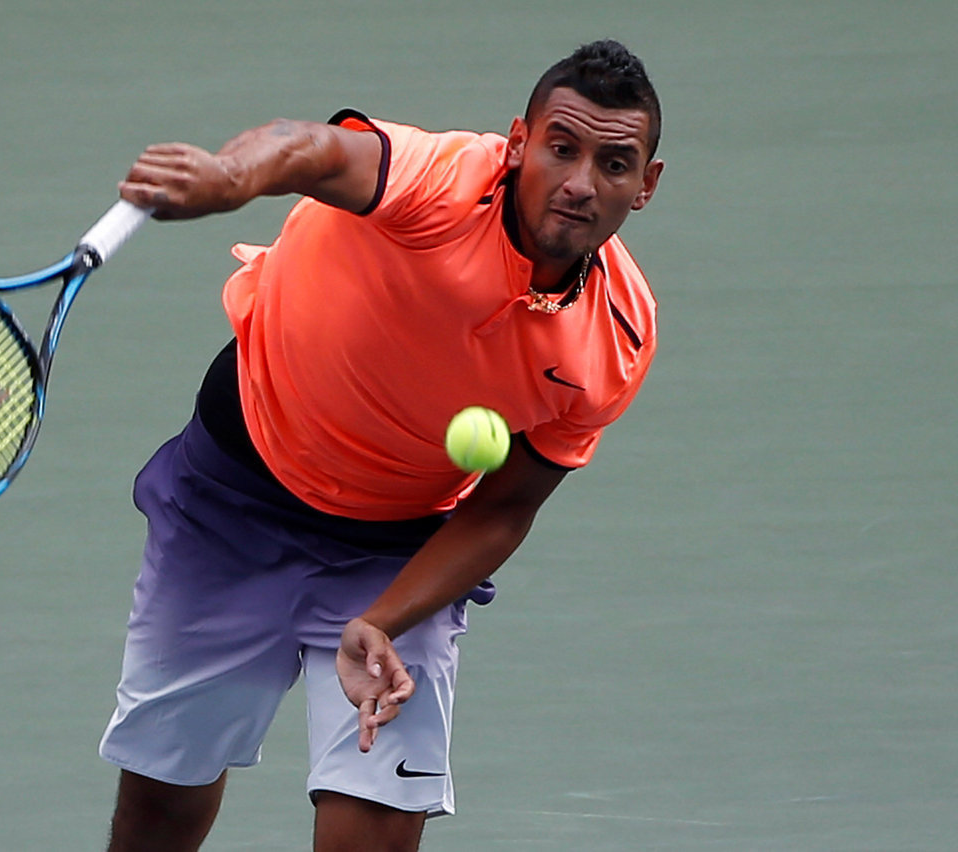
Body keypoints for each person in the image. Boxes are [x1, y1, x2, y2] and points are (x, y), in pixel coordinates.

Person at [99, 39, 664, 852]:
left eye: (613, 164)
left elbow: (504, 510)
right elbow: (314, 149)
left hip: (397, 548)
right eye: (561, 148)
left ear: (645, 185)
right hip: (235, 498)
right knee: (161, 807)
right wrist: (229, 178)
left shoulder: (616, 335)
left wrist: (384, 619)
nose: (580, 183)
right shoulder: (443, 181)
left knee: (374, 833)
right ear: (517, 143)